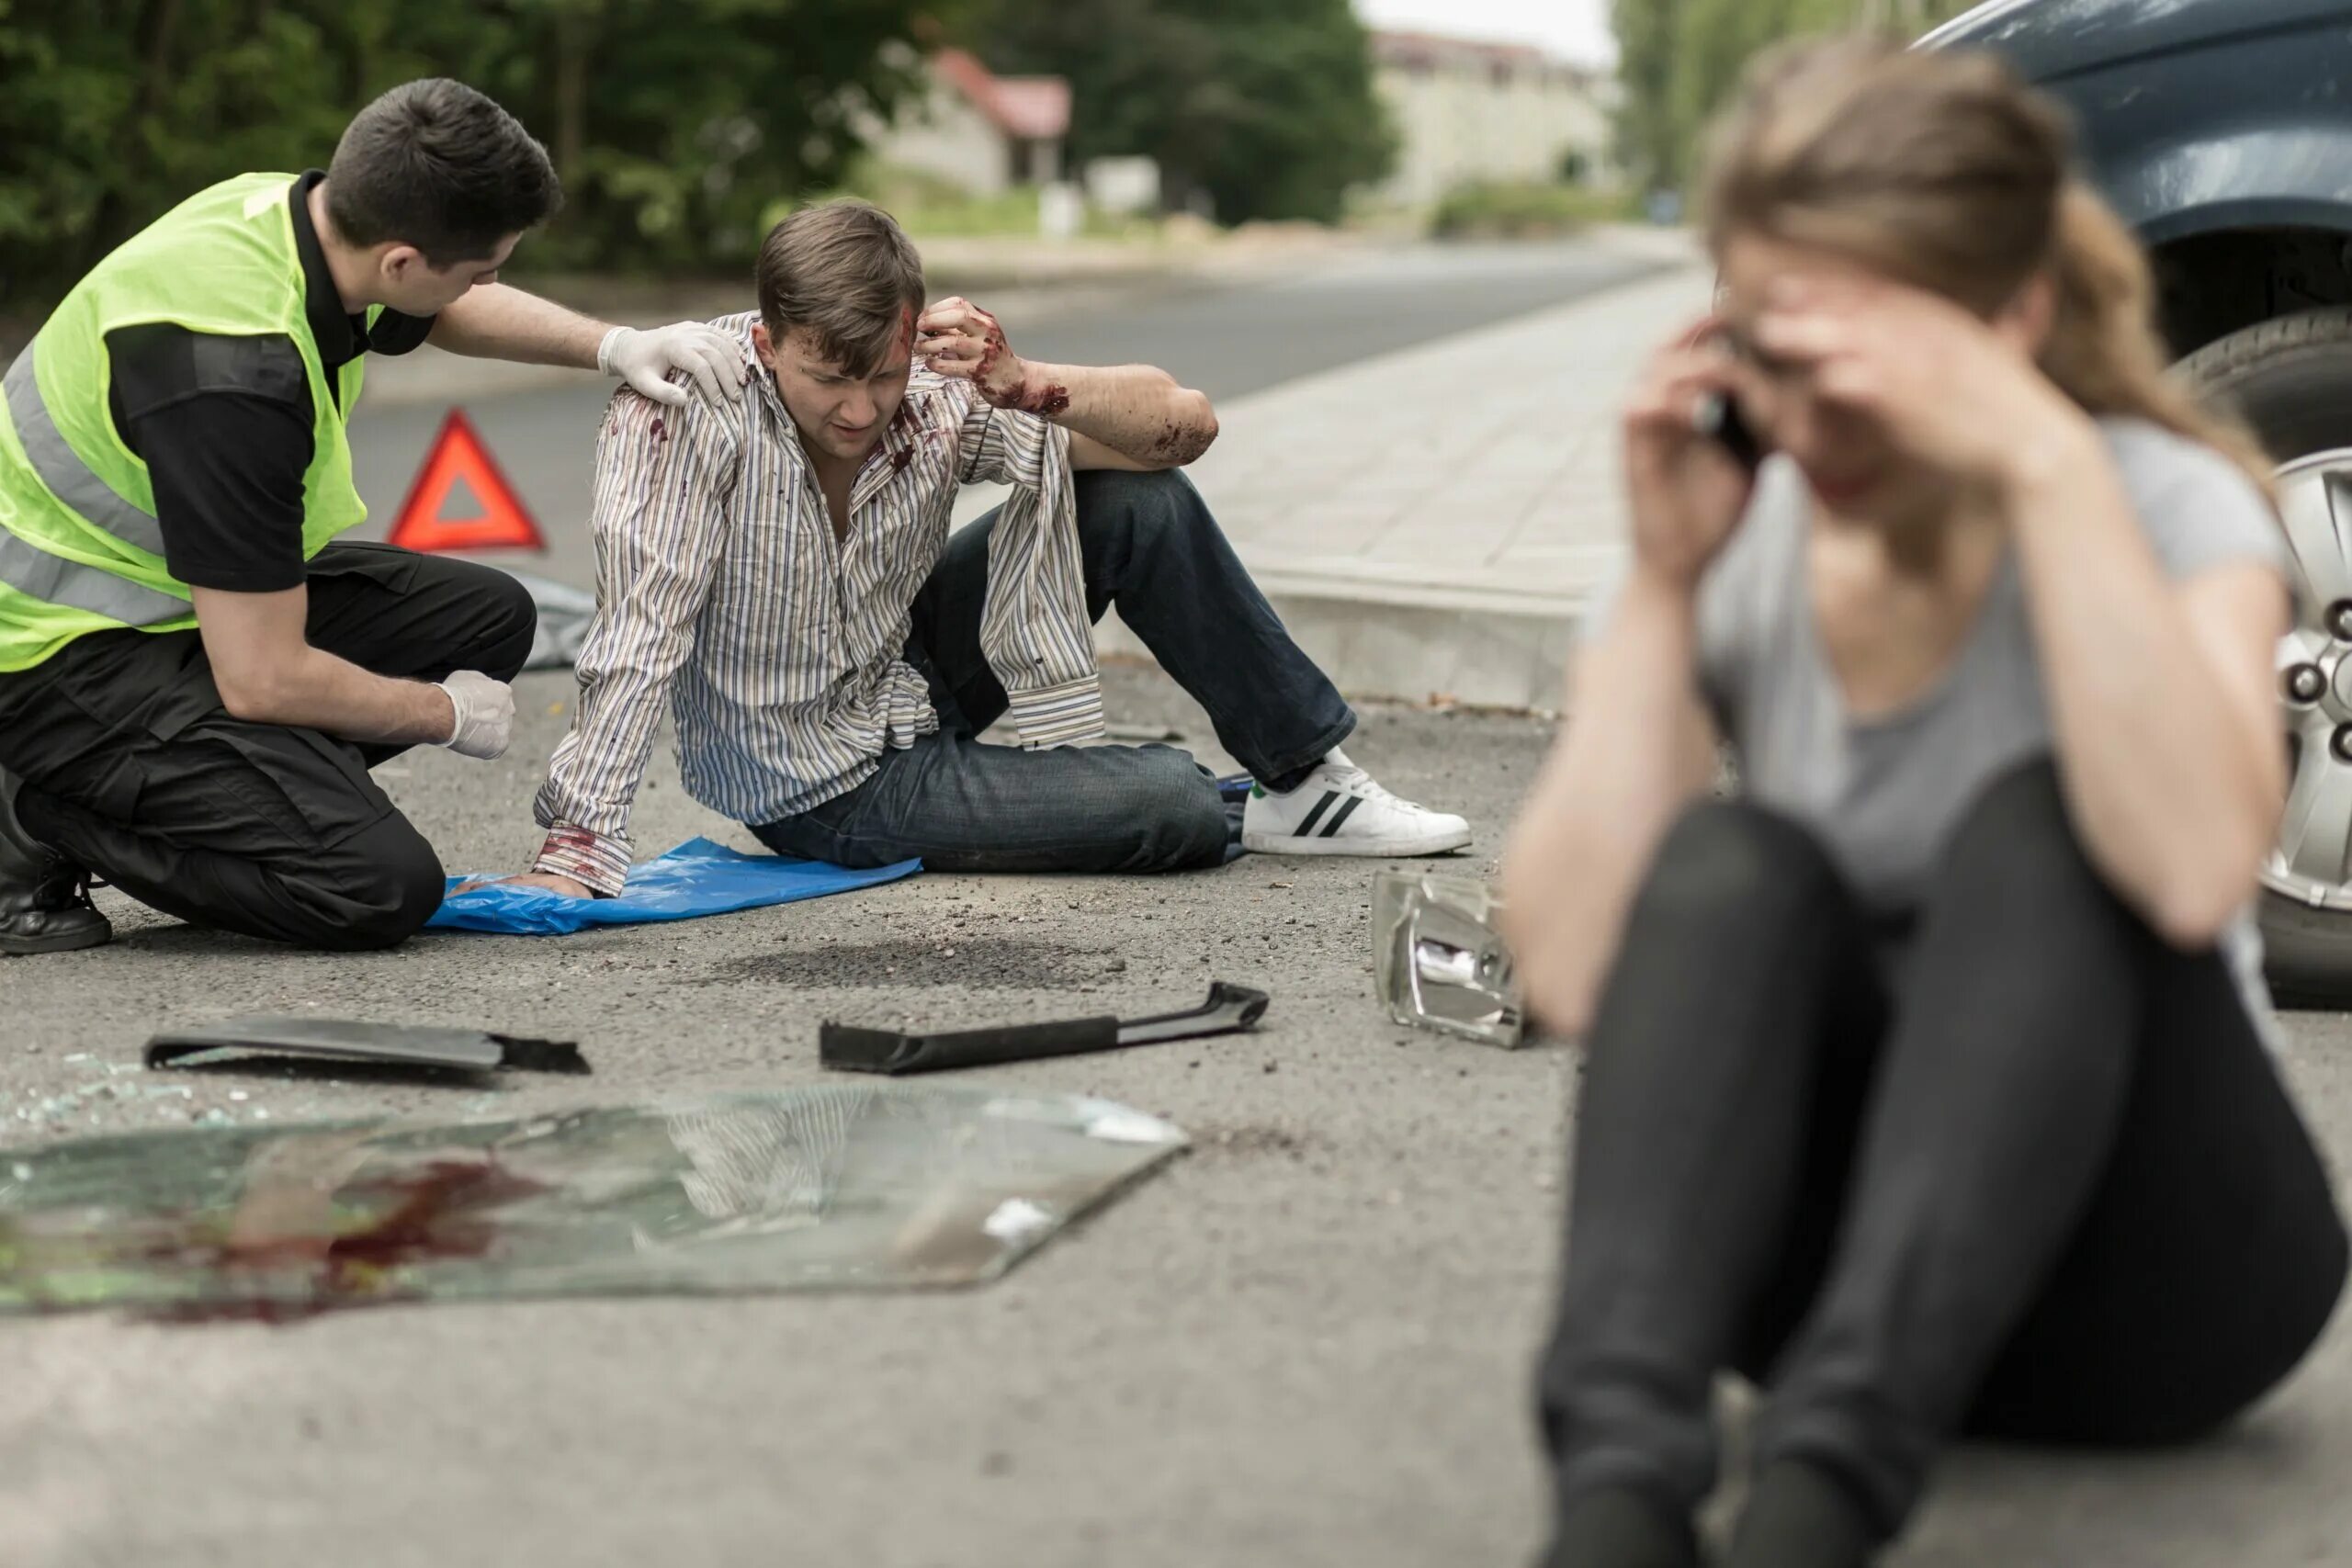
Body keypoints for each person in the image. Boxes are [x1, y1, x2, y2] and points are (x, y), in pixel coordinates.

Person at [1498, 39, 2348, 1568]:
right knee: (1732, 860)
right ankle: (1615, 1502)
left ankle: (1817, 1512)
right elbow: (1566, 968)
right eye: (1765, 358)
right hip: (1819, 1277)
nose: (1807, 423)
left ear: (2009, 317)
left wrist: (2042, 456)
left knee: (2048, 833)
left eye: (1854, 365)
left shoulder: (2160, 499)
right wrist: (1665, 592)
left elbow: (2188, 870)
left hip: (2163, 1281)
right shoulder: (1738, 516)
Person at [494, 200, 1469, 900]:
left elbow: (1185, 426)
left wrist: (1027, 379)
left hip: (904, 672)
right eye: (829, 377)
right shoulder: (688, 408)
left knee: (1140, 501)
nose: (860, 408)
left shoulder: (929, 382)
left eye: (881, 374)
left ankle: (1310, 779)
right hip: (822, 778)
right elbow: (641, 625)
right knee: (1170, 804)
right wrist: (581, 838)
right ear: (766, 337)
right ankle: (1217, 804)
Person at [0, 78, 749, 956]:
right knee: (375, 886)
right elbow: (263, 679)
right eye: (481, 268)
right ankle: (44, 811)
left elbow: (444, 308)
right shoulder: (231, 377)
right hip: (56, 660)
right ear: (400, 262)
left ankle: (240, 797)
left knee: (493, 617)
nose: (490, 282)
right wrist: (439, 713)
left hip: (164, 605)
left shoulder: (295, 216)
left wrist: (615, 344)